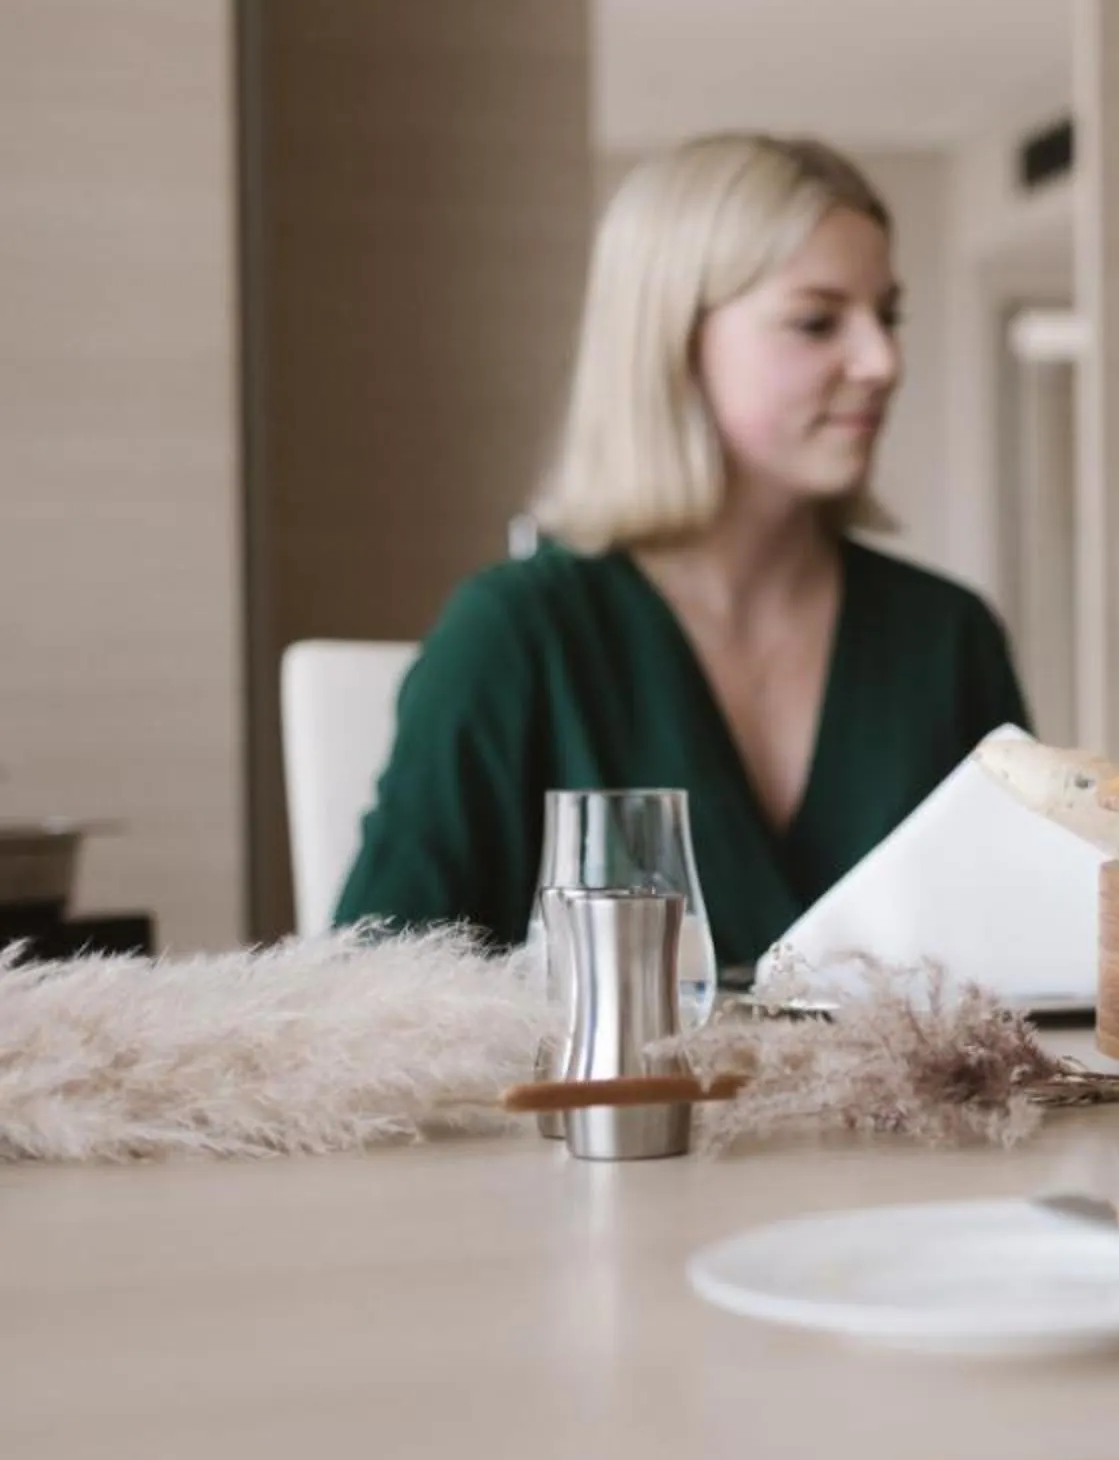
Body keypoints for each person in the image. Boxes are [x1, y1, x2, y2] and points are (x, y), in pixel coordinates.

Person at [335, 133, 1030, 964]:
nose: (883, 361)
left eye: (887, 316)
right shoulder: (514, 637)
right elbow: (372, 994)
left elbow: (1027, 959)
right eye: (816, 322)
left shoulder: (946, 637)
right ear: (672, 345)